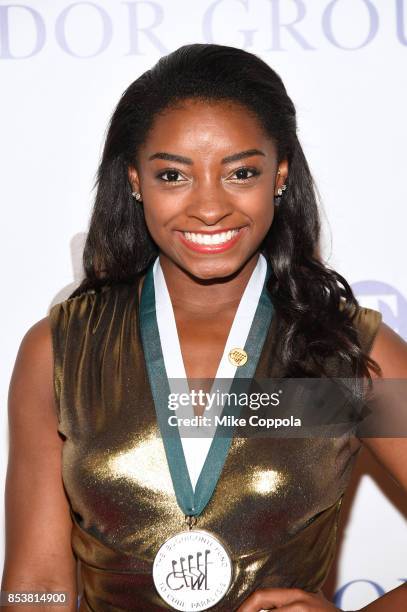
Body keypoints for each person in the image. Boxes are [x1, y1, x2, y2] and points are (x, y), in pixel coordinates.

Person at [2, 43, 407, 612]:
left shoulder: (348, 355)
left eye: (241, 171)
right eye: (174, 175)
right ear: (135, 180)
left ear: (280, 174)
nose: (210, 207)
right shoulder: (60, 351)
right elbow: (35, 587)